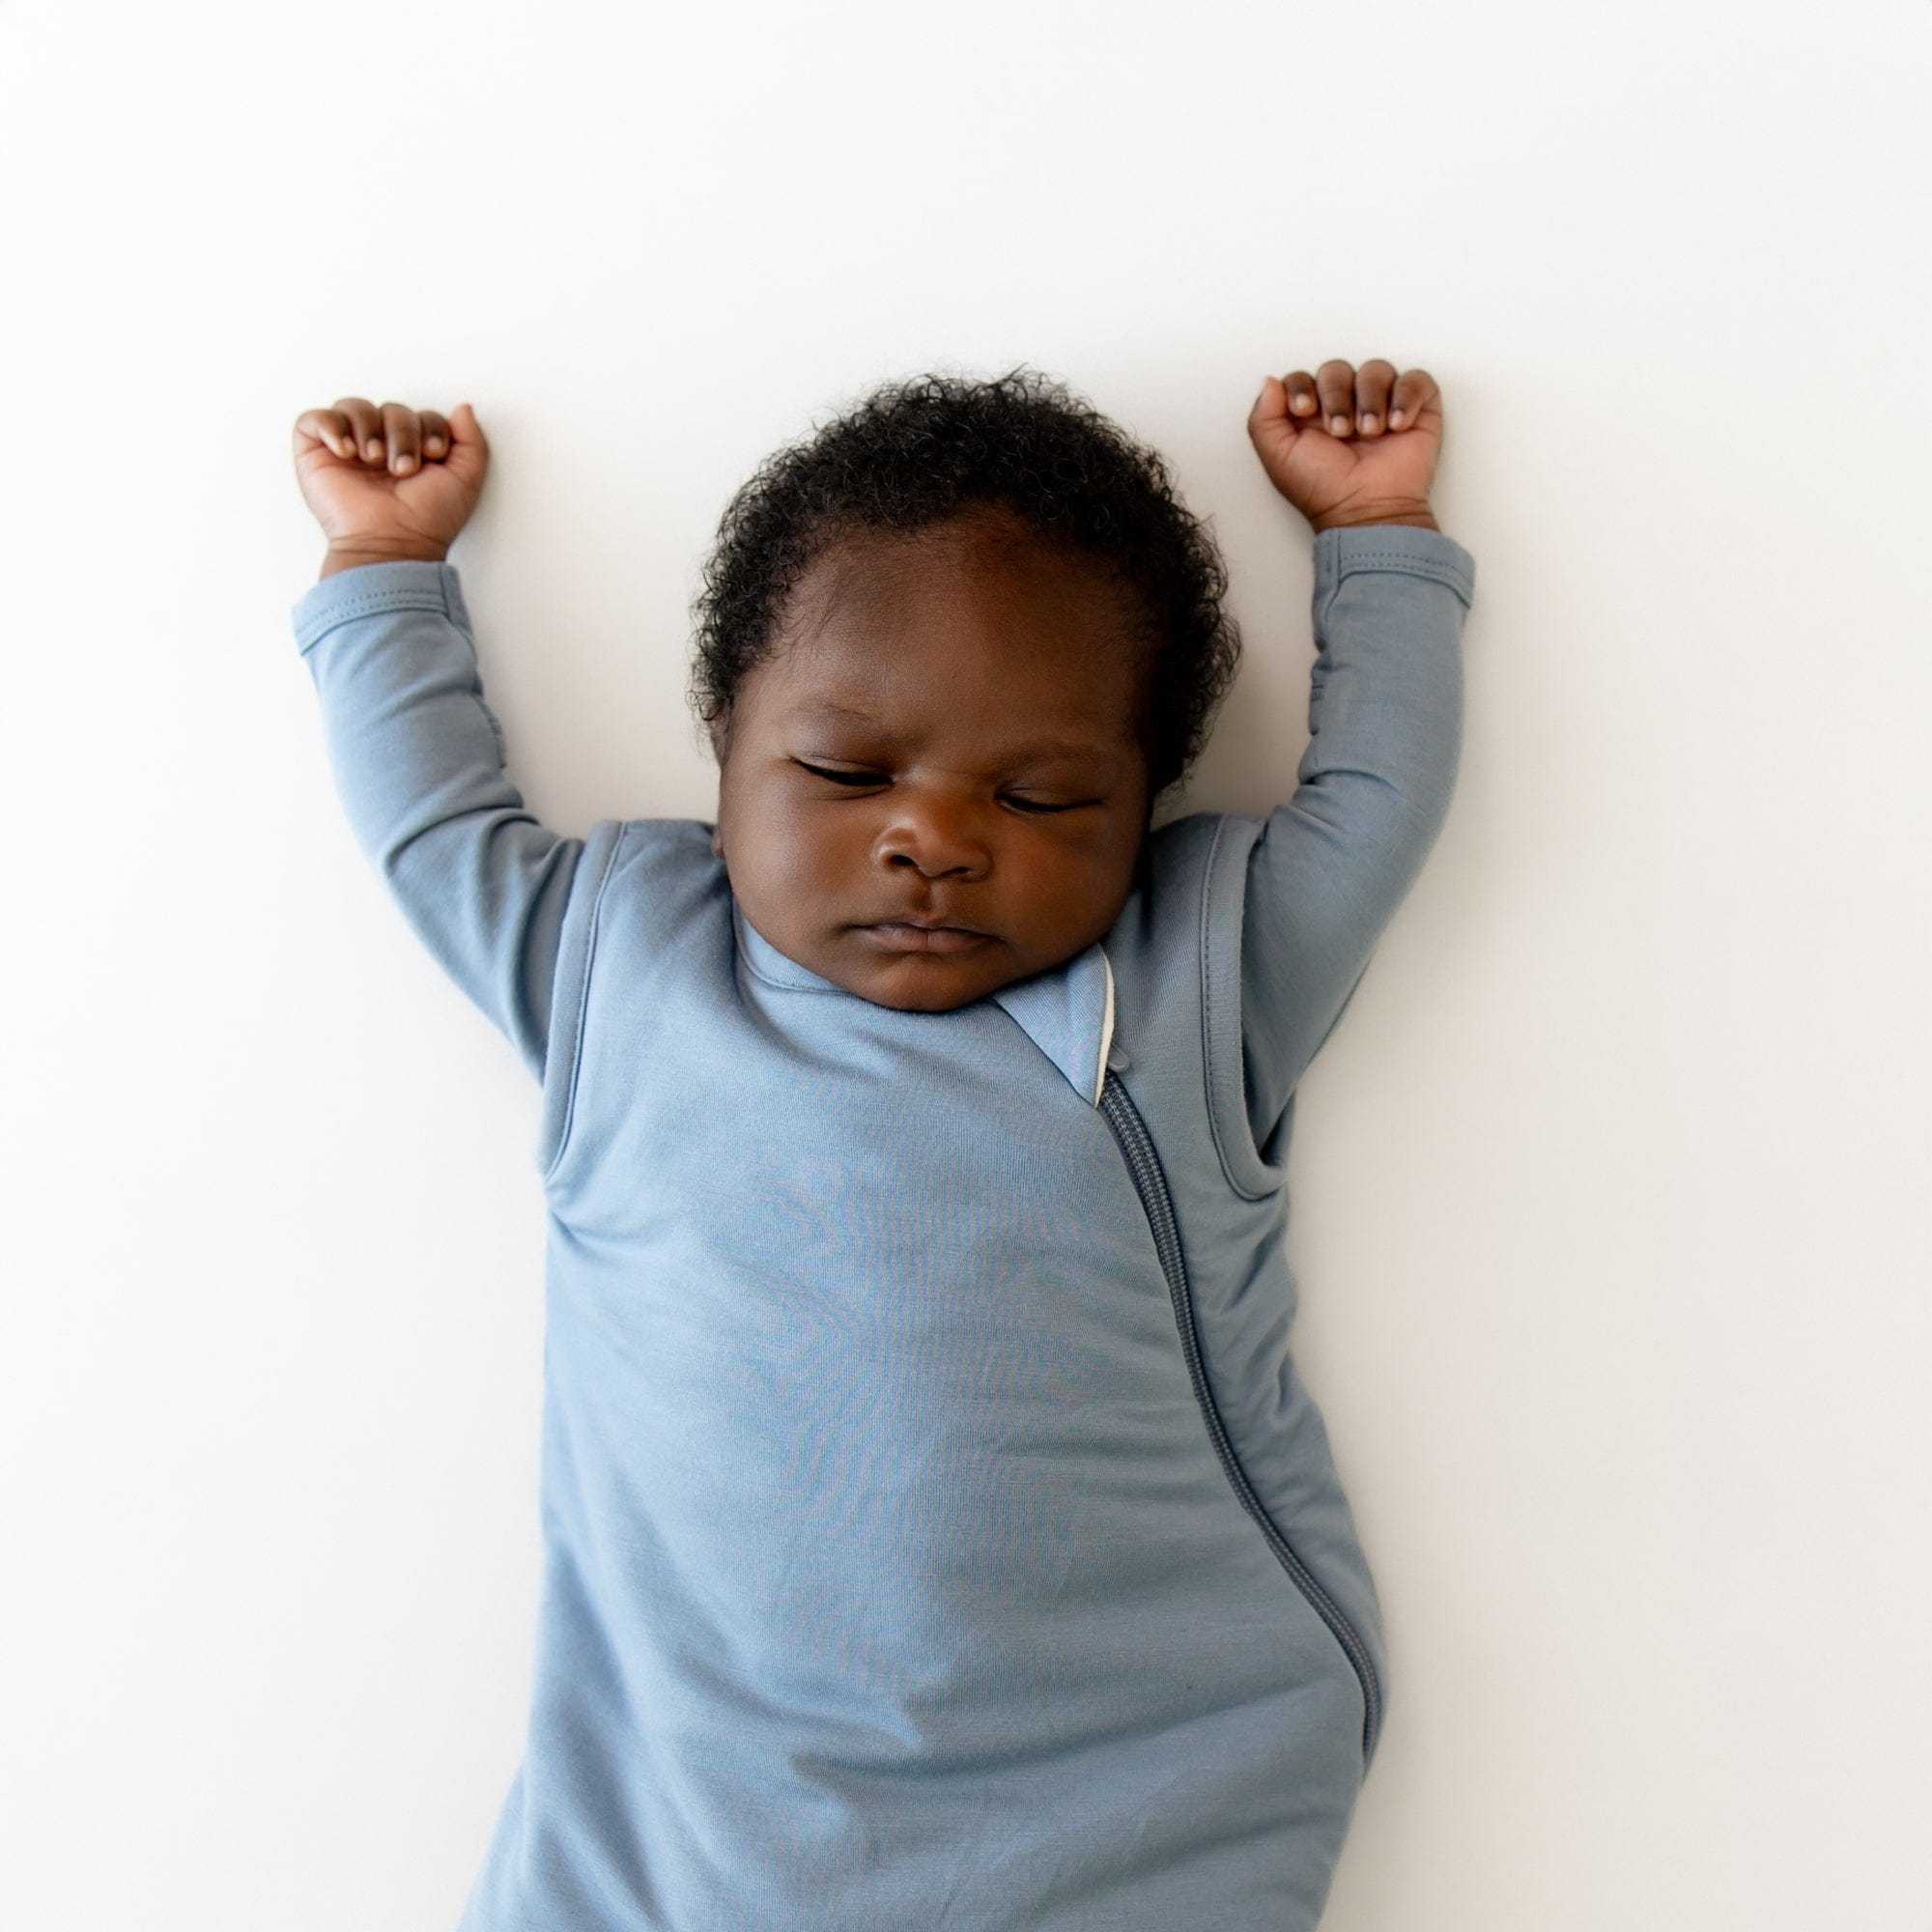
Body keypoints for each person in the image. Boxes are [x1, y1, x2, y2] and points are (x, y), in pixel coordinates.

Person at [287, 359, 1475, 1932]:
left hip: (1134, 1772)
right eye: (847, 773)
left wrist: (1378, 534)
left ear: (1145, 806)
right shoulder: (616, 968)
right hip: (695, 1811)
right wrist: (383, 566)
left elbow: (1372, 808)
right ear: (726, 745)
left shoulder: (1192, 981)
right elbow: (431, 827)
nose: (936, 836)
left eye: (1045, 795)